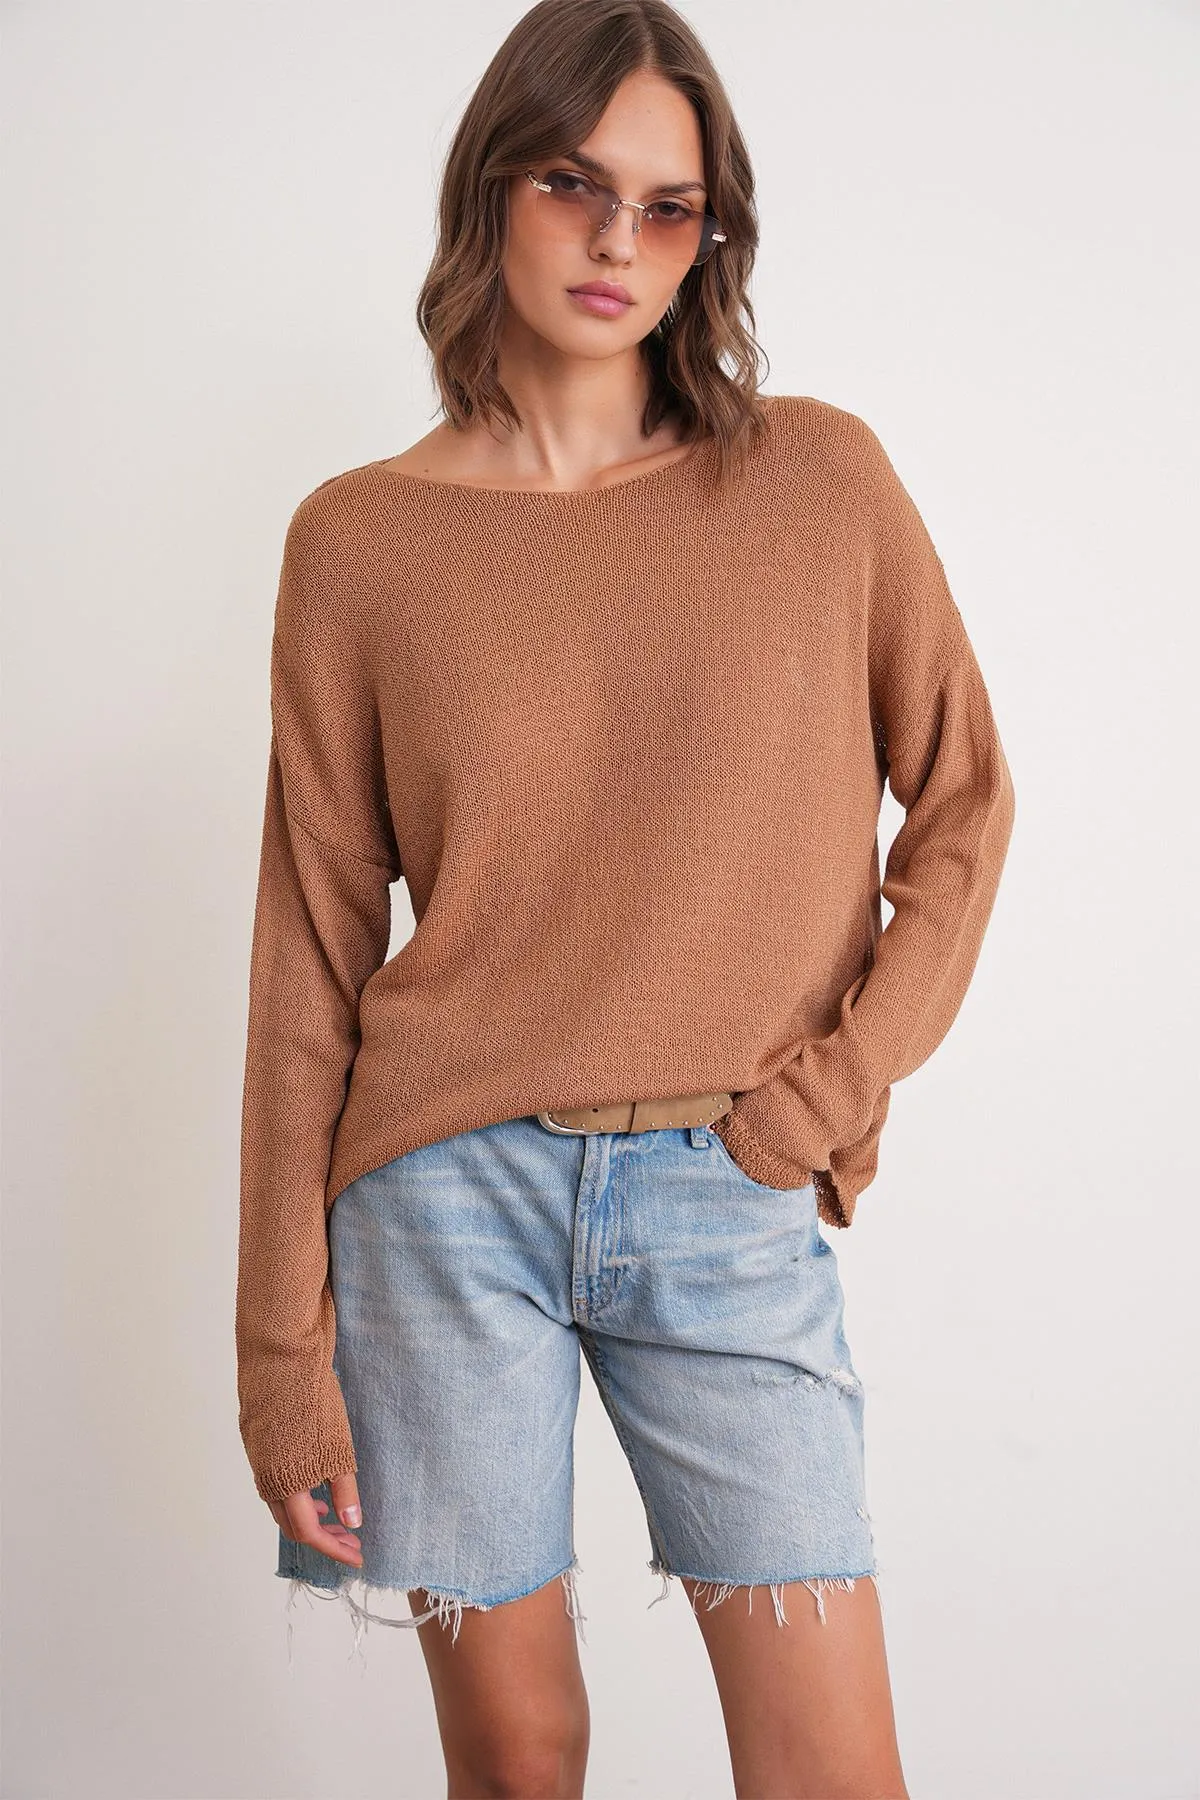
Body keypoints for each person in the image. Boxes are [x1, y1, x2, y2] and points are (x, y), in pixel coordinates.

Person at [235, 1, 1015, 1793]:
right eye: (574, 185)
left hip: (729, 1186)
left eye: (671, 208)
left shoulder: (817, 478)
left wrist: (823, 1098)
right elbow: (307, 959)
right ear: (491, 187)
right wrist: (280, 1350)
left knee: (832, 1772)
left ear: (708, 238)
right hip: (439, 1203)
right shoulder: (356, 544)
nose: (618, 242)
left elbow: (968, 803)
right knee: (518, 1764)